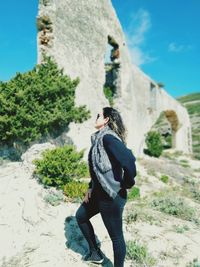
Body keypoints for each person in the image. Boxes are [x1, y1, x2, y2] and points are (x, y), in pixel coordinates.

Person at [75, 107, 137, 267]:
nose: (95, 118)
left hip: (112, 196)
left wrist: (127, 183)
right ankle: (95, 253)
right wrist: (90, 187)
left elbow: (129, 160)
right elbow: (97, 169)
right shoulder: (98, 139)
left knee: (116, 237)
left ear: (106, 120)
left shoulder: (108, 138)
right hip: (98, 193)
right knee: (81, 216)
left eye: (98, 116)